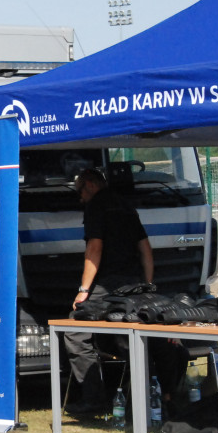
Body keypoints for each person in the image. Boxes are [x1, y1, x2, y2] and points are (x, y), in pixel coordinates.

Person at [64, 169, 153, 413]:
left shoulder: (96, 206)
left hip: (108, 285)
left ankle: (94, 400)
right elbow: (145, 248)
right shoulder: (126, 206)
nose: (80, 198)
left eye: (80, 192)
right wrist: (148, 286)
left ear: (90, 185)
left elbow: (94, 248)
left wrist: (83, 291)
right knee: (130, 340)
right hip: (134, 284)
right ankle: (140, 400)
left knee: (75, 333)